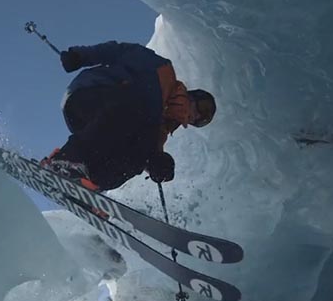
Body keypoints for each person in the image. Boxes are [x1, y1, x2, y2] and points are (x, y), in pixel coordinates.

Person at [40, 41, 217, 191]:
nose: (196, 116)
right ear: (192, 95)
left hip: (91, 126)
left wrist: (157, 164)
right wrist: (81, 55)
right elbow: (118, 51)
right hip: (88, 96)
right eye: (202, 107)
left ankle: (86, 184)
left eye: (201, 121)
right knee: (138, 108)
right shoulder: (163, 72)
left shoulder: (161, 128)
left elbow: (147, 152)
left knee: (139, 155)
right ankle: (66, 161)